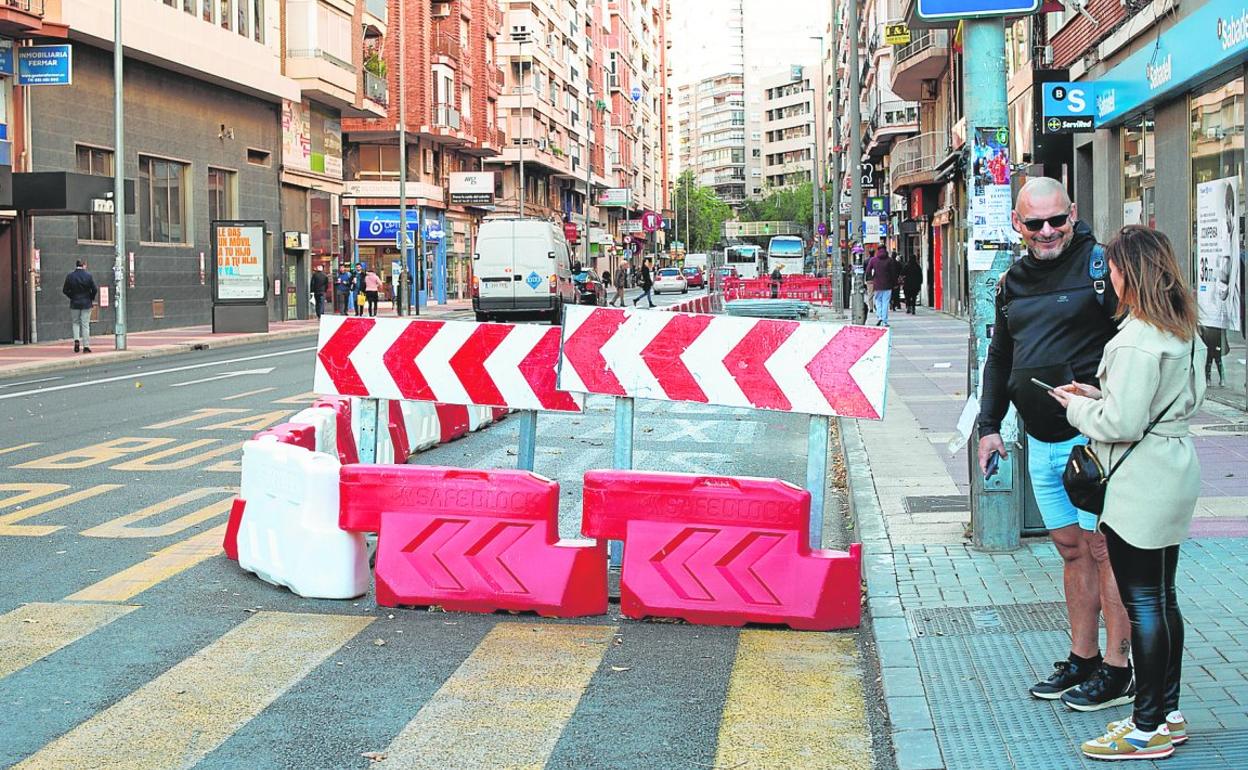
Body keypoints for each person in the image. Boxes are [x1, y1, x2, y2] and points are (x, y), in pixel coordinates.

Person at [1050, 226, 1206, 761]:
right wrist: (1103, 394)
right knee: (1163, 597)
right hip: (1173, 468)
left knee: (1144, 604)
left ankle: (1146, 727)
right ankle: (1168, 712)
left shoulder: (1137, 338)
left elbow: (1121, 421)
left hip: (1140, 482)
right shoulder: (1181, 330)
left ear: (1129, 274)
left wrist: (1076, 406)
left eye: (1111, 270)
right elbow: (1163, 402)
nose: (1108, 279)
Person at [977, 176, 1133, 712]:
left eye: (1056, 220)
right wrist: (989, 425)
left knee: (1105, 551)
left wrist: (1107, 394)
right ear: (1016, 225)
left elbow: (1138, 342)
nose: (1047, 231)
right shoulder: (1011, 281)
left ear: (1073, 214)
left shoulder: (1102, 268)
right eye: (1034, 223)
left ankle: (1118, 670)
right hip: (1040, 441)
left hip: (1094, 442)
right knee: (1070, 550)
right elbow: (1001, 357)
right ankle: (1083, 658)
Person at [62, 260, 97, 354]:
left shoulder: (70, 276)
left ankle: (76, 340)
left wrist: (72, 296)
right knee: (85, 324)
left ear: (76, 265)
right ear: (84, 265)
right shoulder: (88, 276)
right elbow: (94, 289)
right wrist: (91, 298)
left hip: (74, 302)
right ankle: (86, 346)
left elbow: (65, 290)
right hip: (86, 302)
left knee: (75, 323)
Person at [864, 246, 899, 326]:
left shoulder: (873, 260)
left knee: (878, 301)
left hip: (877, 285)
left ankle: (879, 316)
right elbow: (893, 273)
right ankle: (884, 320)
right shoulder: (889, 260)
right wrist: (895, 283)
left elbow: (868, 270)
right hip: (887, 285)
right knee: (885, 302)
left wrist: (872, 277)